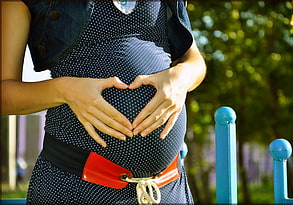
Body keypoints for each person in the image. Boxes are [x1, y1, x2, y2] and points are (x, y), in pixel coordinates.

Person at [1, 0, 206, 204]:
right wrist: (64, 90)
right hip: (75, 187)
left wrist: (182, 77)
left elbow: (194, 60)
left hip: (167, 189)